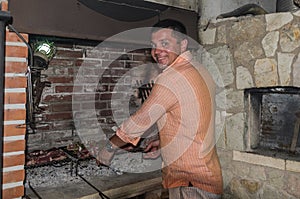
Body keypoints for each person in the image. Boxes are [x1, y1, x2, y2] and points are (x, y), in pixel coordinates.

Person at [97, 19, 223, 199]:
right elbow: (192, 118)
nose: (157, 51)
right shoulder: (199, 69)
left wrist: (108, 148)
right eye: (154, 45)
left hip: (190, 182)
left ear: (183, 44)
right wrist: (162, 141)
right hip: (205, 175)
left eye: (165, 43)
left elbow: (139, 122)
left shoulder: (172, 78)